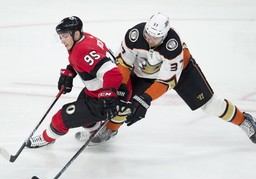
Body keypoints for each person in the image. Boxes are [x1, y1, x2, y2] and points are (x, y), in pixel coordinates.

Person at [78, 12, 256, 144]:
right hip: (144, 71)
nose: (149, 40)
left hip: (181, 71)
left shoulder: (173, 45)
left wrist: (145, 99)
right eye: (147, 35)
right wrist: (123, 88)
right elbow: (123, 64)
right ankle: (110, 128)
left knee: (210, 106)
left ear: (164, 35)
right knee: (122, 97)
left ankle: (244, 120)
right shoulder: (134, 35)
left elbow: (166, 80)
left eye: (155, 38)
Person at [26, 16, 128, 148]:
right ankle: (94, 132)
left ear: (76, 34)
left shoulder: (82, 50)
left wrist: (108, 94)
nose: (62, 40)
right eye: (60, 37)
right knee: (85, 118)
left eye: (65, 36)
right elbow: (87, 61)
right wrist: (70, 71)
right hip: (95, 92)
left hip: (105, 97)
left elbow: (113, 73)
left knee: (61, 118)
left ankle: (47, 138)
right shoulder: (86, 38)